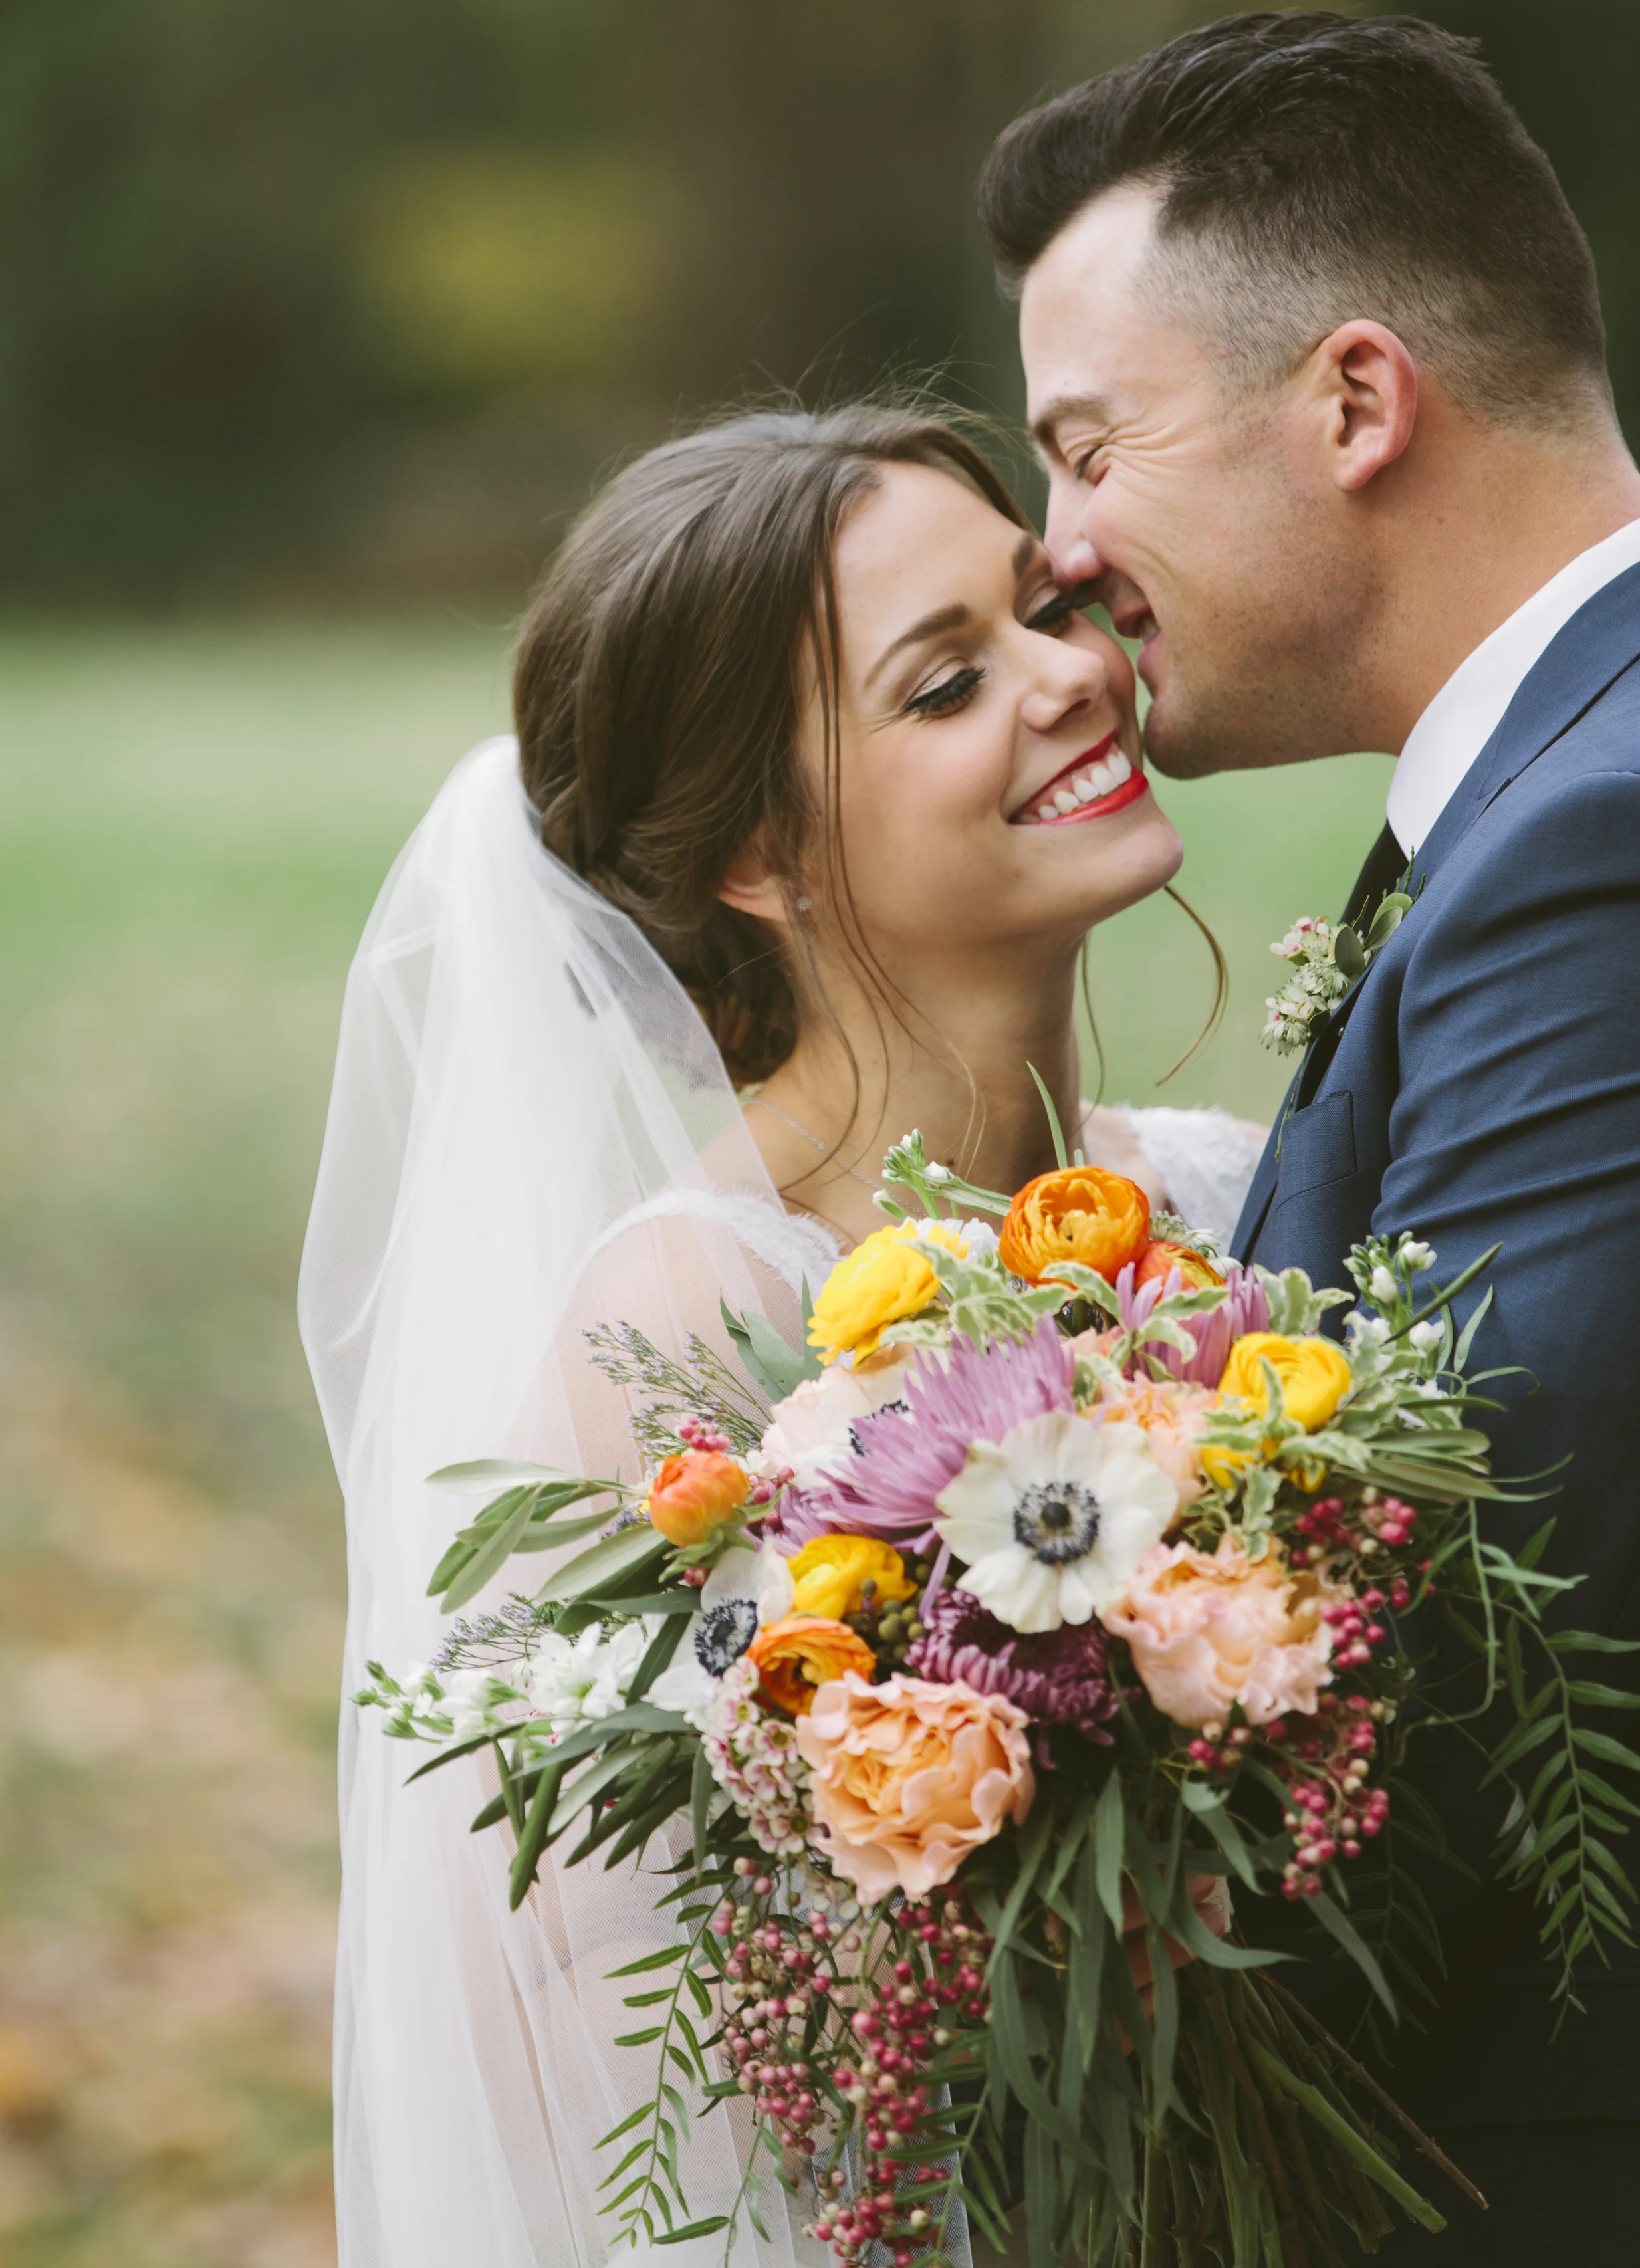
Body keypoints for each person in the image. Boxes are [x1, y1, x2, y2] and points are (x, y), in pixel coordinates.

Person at [302, 404, 1263, 2267]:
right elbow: (562, 2047)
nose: (1073, 677)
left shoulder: (1241, 1205)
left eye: (1045, 602)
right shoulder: (681, 1321)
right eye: (944, 681)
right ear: (758, 850)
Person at [981, 9, 1640, 2265]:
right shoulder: (1544, 783)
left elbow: (1481, 1614)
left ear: (1354, 401)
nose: (1053, 555)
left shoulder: (1595, 839)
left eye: (1086, 446)